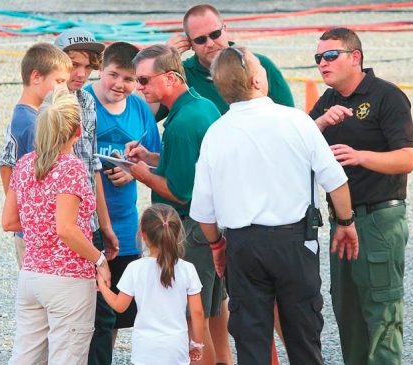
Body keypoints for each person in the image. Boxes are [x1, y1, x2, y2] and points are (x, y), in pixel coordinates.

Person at [189, 46, 359, 365]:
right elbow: (335, 180)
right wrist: (346, 223)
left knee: (252, 343)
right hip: (295, 241)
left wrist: (216, 246)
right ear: (257, 81)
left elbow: (203, 209)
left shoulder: (216, 134)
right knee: (304, 338)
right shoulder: (295, 121)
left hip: (243, 245)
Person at [167, 5, 295, 360]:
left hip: (255, 200)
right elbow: (147, 109)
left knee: (271, 299)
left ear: (227, 28)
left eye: (216, 33)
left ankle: (297, 353)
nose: (212, 43)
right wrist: (167, 59)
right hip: (212, 201)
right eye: (201, 39)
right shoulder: (182, 72)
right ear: (189, 44)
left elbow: (288, 122)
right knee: (226, 299)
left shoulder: (258, 64)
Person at [309, 27, 413, 365]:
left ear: (355, 57)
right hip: (344, 222)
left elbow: (407, 159)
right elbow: (297, 146)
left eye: (330, 56)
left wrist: (360, 156)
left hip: (379, 219)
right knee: (347, 310)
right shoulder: (328, 100)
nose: (322, 64)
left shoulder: (387, 96)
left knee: (382, 312)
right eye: (318, 58)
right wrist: (323, 121)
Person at [124, 44, 222, 365]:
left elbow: (180, 192)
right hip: (213, 226)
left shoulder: (180, 125)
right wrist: (153, 159)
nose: (139, 88)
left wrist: (141, 174)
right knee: (214, 310)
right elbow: (189, 164)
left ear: (168, 77)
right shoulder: (201, 105)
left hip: (191, 228)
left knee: (196, 321)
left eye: (143, 80)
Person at [2, 88, 112, 365]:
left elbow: (9, 221)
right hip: (69, 279)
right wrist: (99, 259)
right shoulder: (71, 167)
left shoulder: (25, 163)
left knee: (25, 355)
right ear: (77, 130)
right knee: (67, 357)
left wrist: (40, 225)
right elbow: (66, 228)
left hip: (32, 274)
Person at [84, 41, 162, 364]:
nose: (120, 85)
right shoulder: (84, 100)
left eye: (129, 79)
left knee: (116, 312)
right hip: (87, 221)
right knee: (87, 312)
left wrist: (134, 173)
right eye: (113, 75)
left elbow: (156, 161)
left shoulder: (140, 108)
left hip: (126, 221)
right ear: (101, 70)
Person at [96, 203, 205, 365]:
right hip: (176, 349)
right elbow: (197, 312)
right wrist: (197, 343)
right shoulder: (188, 269)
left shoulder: (135, 268)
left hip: (145, 350)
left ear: (143, 235)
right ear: (177, 234)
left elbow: (119, 306)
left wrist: (102, 286)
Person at [0, 42, 72, 268]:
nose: (64, 89)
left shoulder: (20, 115)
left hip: (27, 229)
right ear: (36, 76)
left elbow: (5, 165)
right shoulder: (34, 125)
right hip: (37, 236)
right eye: (59, 82)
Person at [54, 27, 120, 262]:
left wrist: (104, 224)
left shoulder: (87, 100)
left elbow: (93, 165)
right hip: (56, 226)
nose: (81, 74)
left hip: (88, 223)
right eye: (74, 65)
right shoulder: (48, 102)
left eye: (88, 66)